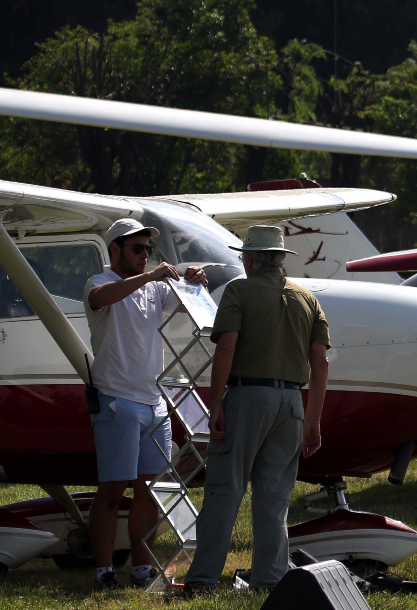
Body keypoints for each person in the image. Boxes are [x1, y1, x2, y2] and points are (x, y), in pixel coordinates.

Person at [183, 225, 330, 593]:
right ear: (280, 258)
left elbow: (227, 347)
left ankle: (202, 580)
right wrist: (313, 420)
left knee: (224, 490)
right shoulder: (307, 298)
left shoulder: (239, 291)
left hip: (248, 397)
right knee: (275, 496)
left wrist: (216, 403)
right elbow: (321, 362)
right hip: (292, 403)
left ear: (249, 258)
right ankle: (270, 580)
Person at [83, 218, 207, 590]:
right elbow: (100, 300)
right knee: (112, 489)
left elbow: (184, 299)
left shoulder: (152, 286)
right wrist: (151, 275)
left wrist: (194, 278)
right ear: (115, 250)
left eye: (147, 250)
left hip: (154, 403)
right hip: (117, 401)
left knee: (149, 489)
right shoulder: (99, 283)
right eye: (137, 249)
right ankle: (103, 570)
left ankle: (142, 568)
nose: (144, 256)